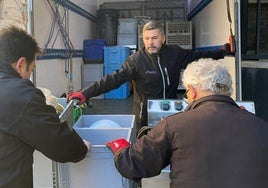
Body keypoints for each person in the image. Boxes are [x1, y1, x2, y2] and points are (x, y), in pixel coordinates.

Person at [106, 58, 268, 188]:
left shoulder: (174, 125)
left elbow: (134, 164)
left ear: (192, 90)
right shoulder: (261, 127)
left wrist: (120, 147)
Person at [67, 20, 231, 135]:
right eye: (146, 38)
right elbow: (113, 79)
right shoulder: (136, 61)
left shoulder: (175, 53)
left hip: (172, 112)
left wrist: (223, 51)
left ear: (163, 38)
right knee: (147, 152)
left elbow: (198, 56)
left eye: (154, 38)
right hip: (144, 117)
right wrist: (85, 93)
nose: (150, 42)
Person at [0, 26, 90, 188]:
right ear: (21, 64)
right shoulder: (21, 96)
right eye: (31, 70)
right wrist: (81, 148)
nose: (29, 76)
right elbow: (60, 144)